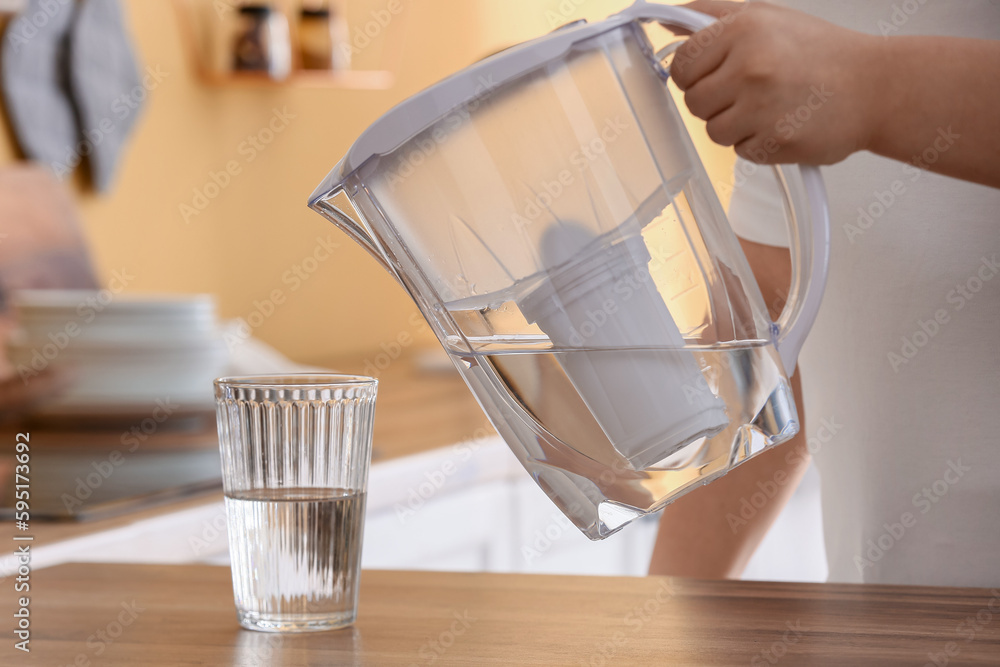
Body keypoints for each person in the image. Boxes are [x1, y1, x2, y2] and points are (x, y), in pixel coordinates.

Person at [650, 0, 1000, 587]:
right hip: (885, 631)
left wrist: (874, 86)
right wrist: (664, 620)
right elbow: (768, 350)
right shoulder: (794, 26)